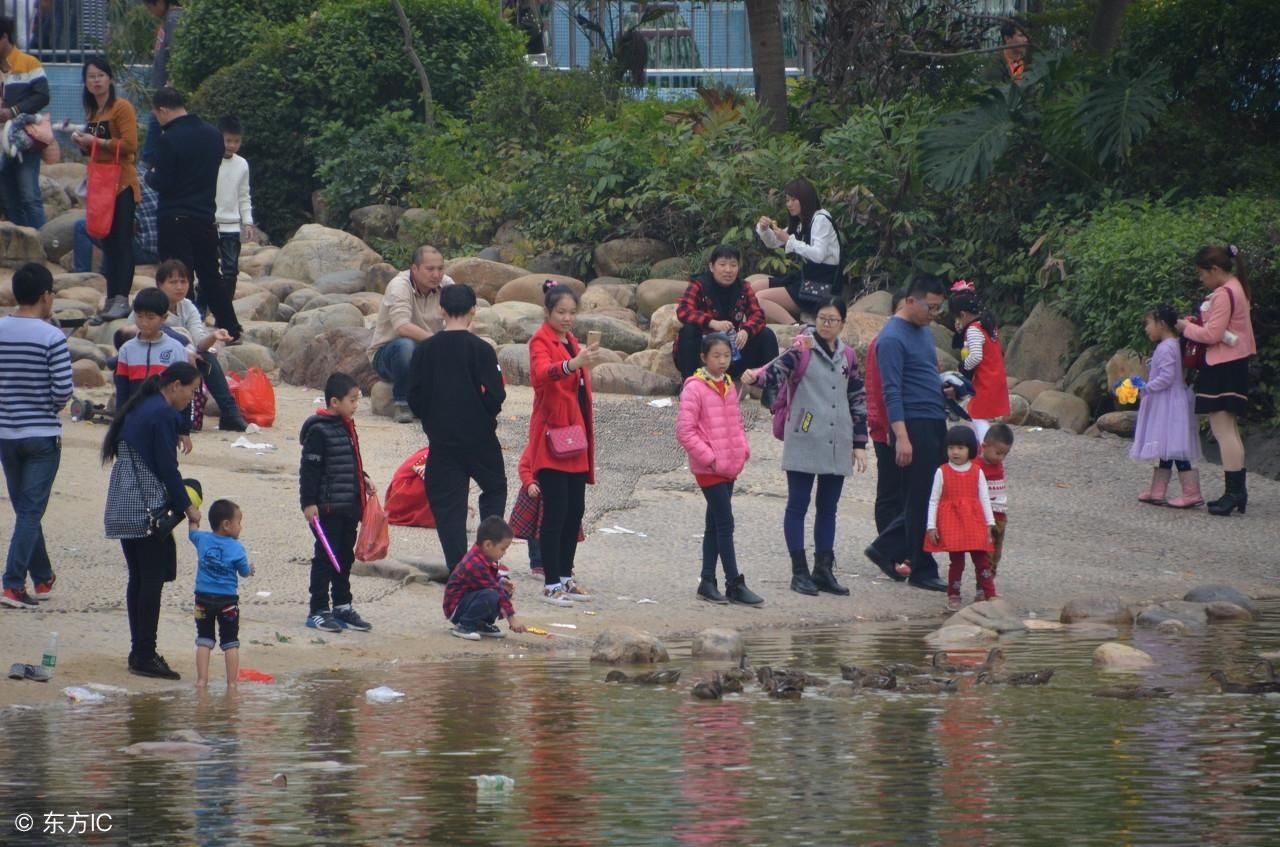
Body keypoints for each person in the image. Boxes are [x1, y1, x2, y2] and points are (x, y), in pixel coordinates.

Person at [742, 297, 868, 597]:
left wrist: (860, 442)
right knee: (797, 505)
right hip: (805, 436)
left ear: (842, 324)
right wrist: (755, 376)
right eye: (822, 318)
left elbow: (858, 399)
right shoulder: (801, 350)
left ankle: (823, 570)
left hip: (838, 441)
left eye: (832, 320)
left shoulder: (848, 356)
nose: (826, 324)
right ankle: (799, 572)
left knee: (828, 509)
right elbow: (775, 372)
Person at [101, 361, 202, 680]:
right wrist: (188, 507)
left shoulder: (143, 406)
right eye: (192, 390)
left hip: (124, 503)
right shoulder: (162, 414)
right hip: (143, 508)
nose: (192, 398)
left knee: (139, 578)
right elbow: (166, 468)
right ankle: (144, 654)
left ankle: (139, 650)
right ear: (175, 386)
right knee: (151, 581)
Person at [407, 284, 507, 571]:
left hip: (441, 437)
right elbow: (496, 394)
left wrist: (430, 418)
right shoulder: (482, 349)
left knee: (448, 504)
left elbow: (413, 394)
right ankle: (485, 558)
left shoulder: (425, 350)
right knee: (494, 488)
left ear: (441, 310)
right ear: (473, 309)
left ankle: (459, 567)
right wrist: (485, 413)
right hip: (480, 436)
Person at [522, 281, 607, 606]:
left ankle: (567, 577)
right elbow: (541, 375)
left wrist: (581, 362)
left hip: (575, 435)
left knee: (575, 510)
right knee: (556, 511)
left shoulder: (570, 340)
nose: (568, 318)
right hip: (551, 435)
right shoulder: (540, 341)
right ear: (547, 312)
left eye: (572, 312)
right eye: (561, 312)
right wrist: (574, 364)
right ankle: (551, 581)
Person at [863, 275, 949, 592]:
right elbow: (890, 391)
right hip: (913, 422)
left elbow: (926, 373)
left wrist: (946, 391)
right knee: (921, 496)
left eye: (940, 308)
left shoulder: (924, 331)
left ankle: (888, 549)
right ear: (911, 301)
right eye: (931, 307)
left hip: (934, 416)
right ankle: (920, 566)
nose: (935, 314)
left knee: (933, 493)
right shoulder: (890, 339)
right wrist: (900, 435)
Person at [0, 264, 71, 609]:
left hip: (6, 433)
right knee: (31, 510)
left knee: (25, 507)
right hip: (41, 434)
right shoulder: (51, 336)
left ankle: (42, 576)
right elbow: (63, 391)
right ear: (46, 296)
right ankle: (13, 584)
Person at [147, 86, 242, 342]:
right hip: (204, 215)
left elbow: (162, 181)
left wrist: (150, 175)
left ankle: (185, 330)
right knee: (211, 275)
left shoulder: (168, 139)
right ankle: (232, 328)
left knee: (178, 277)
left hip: (174, 215)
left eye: (157, 115)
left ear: (163, 110)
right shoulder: (213, 135)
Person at [676, 333, 764, 606]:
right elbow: (685, 430)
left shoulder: (727, 384)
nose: (722, 361)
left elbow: (735, 422)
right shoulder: (694, 388)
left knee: (714, 524)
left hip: (729, 464)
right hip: (710, 467)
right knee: (725, 522)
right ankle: (733, 582)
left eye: (726, 355)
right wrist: (709, 457)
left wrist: (742, 450)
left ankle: (707, 581)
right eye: (716, 356)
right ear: (703, 358)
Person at [1177, 245, 1256, 516]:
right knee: (1229, 429)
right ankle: (1237, 491)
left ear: (1215, 270)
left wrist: (1185, 327)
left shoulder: (1224, 294)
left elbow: (1212, 334)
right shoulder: (1238, 288)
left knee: (1222, 430)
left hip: (1222, 365)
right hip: (1235, 363)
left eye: (1202, 274)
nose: (1201, 279)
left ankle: (1233, 493)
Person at [300, 372, 375, 633]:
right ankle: (318, 609)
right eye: (352, 400)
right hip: (327, 508)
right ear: (334, 401)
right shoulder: (319, 431)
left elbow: (349, 461)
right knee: (325, 557)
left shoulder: (347, 426)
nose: (356, 406)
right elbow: (309, 470)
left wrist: (362, 479)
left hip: (348, 506)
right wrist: (308, 503)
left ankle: (342, 605)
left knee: (344, 555)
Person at [69, 57, 139, 323]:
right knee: (108, 242)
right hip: (101, 185)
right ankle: (112, 298)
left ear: (109, 78)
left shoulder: (121, 108)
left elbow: (130, 145)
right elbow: (95, 149)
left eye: (100, 75)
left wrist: (95, 140)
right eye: (90, 77)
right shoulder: (93, 113)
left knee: (121, 241)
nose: (96, 81)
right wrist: (82, 143)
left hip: (121, 183)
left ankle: (122, 298)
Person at [152, 259, 249, 431]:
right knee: (189, 355)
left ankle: (230, 412)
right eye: (173, 282)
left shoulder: (187, 306)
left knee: (206, 357)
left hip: (185, 355)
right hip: (156, 355)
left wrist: (214, 336)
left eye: (183, 281)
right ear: (160, 284)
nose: (179, 287)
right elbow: (142, 332)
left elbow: (199, 342)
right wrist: (184, 349)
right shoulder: (151, 303)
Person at [367, 245, 455, 423]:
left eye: (440, 268)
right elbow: (402, 327)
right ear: (414, 269)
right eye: (430, 269)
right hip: (389, 354)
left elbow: (463, 314)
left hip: (429, 351)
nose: (436, 274)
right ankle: (402, 402)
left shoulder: (446, 284)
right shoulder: (399, 286)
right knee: (406, 345)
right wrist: (440, 341)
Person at [674, 244, 779, 380]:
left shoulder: (744, 287)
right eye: (722, 265)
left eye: (733, 265)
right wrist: (711, 323)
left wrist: (746, 331)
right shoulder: (699, 284)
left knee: (766, 334)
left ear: (738, 268)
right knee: (688, 330)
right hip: (704, 354)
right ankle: (689, 384)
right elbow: (683, 311)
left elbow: (758, 316)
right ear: (712, 267)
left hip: (732, 353)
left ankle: (772, 386)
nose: (728, 270)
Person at [1133, 305, 1202, 508]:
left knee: (1174, 448)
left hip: (1169, 404)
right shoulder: (1171, 345)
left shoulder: (1168, 346)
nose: (1146, 329)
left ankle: (1192, 493)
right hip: (1168, 402)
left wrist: (1146, 389)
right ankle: (1158, 490)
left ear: (1161, 324)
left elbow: (1166, 378)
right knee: (1167, 446)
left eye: (1148, 324)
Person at [924, 426, 996, 611]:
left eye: (960, 448)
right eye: (951, 448)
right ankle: (954, 594)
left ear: (971, 449)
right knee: (957, 562)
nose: (955, 452)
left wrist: (989, 523)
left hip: (974, 522)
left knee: (981, 559)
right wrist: (931, 526)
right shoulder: (942, 471)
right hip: (952, 523)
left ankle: (989, 593)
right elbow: (933, 500)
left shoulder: (977, 471)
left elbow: (984, 498)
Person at [752, 179, 841, 324]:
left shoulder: (820, 220)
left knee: (759, 298)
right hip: (804, 279)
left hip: (823, 287)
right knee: (753, 287)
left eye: (794, 200)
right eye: (787, 200)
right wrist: (764, 229)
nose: (789, 204)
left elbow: (818, 255)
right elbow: (773, 243)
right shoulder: (801, 222)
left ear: (805, 199)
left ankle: (795, 328)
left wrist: (790, 241)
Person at [189, 498, 253, 688]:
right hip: (227, 602)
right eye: (238, 522)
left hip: (202, 599)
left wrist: (193, 516)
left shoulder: (202, 539)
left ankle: (202, 681)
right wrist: (250, 569)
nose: (240, 527)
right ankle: (232, 683)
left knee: (204, 639)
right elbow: (244, 572)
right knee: (230, 641)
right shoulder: (237, 548)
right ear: (226, 525)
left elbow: (192, 532)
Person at [442, 516, 528, 640]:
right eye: (503, 548)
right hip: (455, 609)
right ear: (488, 545)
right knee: (493, 594)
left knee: (503, 590)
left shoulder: (483, 556)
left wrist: (500, 580)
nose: (504, 553)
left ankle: (480, 623)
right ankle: (465, 625)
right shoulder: (475, 563)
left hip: (467, 599)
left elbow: (489, 578)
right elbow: (493, 587)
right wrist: (512, 618)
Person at [0, 14, 49, 229]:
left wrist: (13, 111)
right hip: (1, 144)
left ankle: (42, 245)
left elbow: (42, 95)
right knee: (9, 198)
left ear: (4, 37)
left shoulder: (29, 63)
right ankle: (19, 248)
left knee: (29, 196)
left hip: (24, 139)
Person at [114, 287, 194, 412]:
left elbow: (183, 390)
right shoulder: (126, 350)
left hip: (165, 416)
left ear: (164, 318)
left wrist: (183, 428)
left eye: (150, 318)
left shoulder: (176, 348)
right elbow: (122, 390)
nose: (144, 322)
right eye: (139, 316)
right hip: (136, 416)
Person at [866, 290, 905, 537]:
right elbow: (876, 389)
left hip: (910, 427)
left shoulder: (918, 340)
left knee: (909, 489)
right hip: (886, 428)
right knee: (890, 488)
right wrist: (887, 427)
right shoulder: (883, 342)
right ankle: (888, 545)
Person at [74, 163, 160, 278]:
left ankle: (82, 276)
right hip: (159, 251)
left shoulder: (115, 178)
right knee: (114, 223)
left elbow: (82, 194)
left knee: (83, 226)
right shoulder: (145, 173)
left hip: (138, 251)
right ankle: (106, 273)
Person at [950, 284, 1009, 442]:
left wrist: (962, 368)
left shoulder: (973, 329)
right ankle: (983, 447)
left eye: (956, 317)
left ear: (962, 314)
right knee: (980, 414)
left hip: (985, 378)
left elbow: (976, 356)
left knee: (976, 414)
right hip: (995, 374)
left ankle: (986, 446)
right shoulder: (987, 324)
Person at [215, 115, 255, 302]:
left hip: (231, 224)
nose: (231, 145)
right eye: (228, 140)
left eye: (236, 141)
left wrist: (248, 222)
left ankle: (225, 308)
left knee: (230, 270)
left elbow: (244, 195)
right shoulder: (209, 160)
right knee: (208, 270)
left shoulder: (242, 164)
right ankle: (204, 304)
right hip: (210, 222)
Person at [140, 0, 182, 164]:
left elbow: (176, 58)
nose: (149, 10)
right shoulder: (168, 20)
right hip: (160, 97)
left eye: (149, 5)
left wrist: (168, 88)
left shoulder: (174, 18)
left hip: (165, 98)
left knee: (151, 152)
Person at [974, 423, 1013, 583]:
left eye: (1005, 454)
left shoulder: (997, 463)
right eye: (998, 453)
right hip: (986, 518)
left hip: (1000, 515)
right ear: (984, 446)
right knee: (986, 555)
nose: (1001, 458)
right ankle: (983, 586)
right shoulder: (976, 466)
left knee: (997, 553)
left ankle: (989, 582)